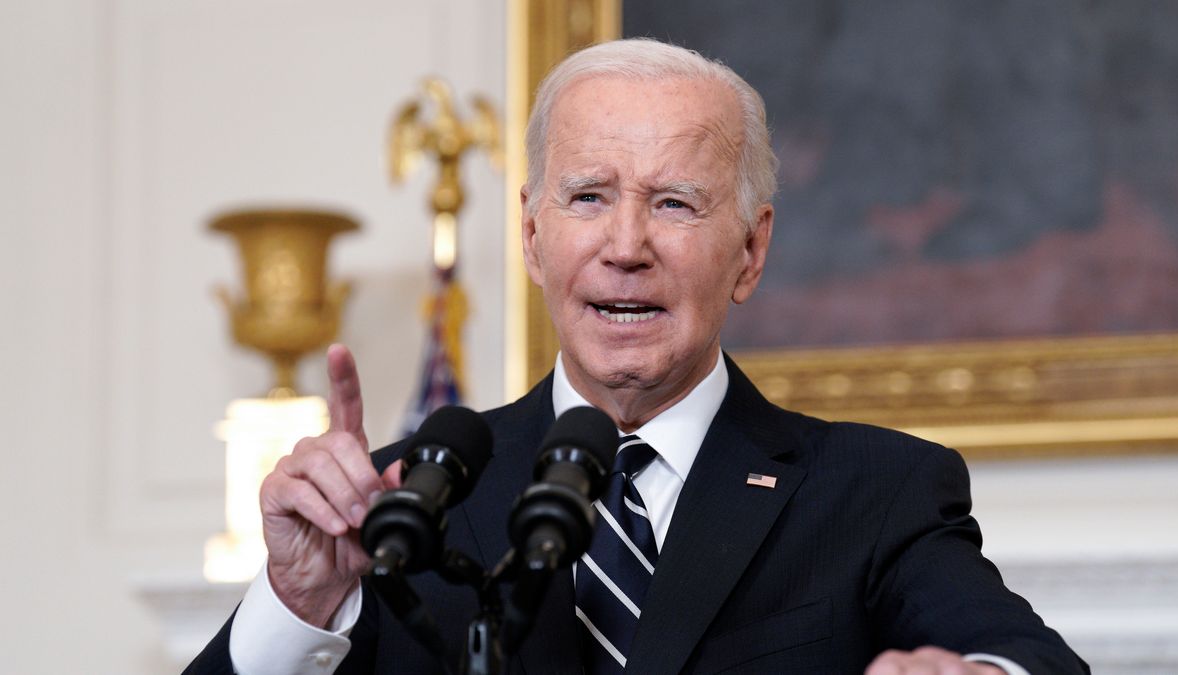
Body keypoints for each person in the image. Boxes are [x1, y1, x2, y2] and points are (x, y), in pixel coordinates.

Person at [187, 38, 1088, 674]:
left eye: (674, 204)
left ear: (751, 250)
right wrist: (297, 602)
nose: (626, 245)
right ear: (534, 238)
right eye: (587, 197)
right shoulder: (398, 506)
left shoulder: (874, 490)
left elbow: (1029, 658)